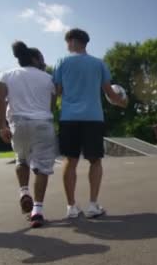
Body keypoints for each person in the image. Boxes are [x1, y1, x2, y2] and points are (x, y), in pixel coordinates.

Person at [53, 28, 127, 219]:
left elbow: (58, 91)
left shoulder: (62, 62)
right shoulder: (99, 64)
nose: (67, 46)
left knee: (70, 161)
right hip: (93, 118)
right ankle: (93, 205)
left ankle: (71, 207)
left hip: (69, 118)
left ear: (72, 41)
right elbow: (109, 93)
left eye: (67, 42)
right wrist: (122, 102)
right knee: (95, 160)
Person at [0, 41, 57, 228]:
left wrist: (2, 126)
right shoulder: (49, 79)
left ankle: (23, 192)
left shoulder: (6, 74)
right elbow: (52, 106)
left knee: (21, 160)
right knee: (42, 168)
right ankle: (37, 211)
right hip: (43, 123)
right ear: (35, 59)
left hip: (18, 123)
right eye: (42, 59)